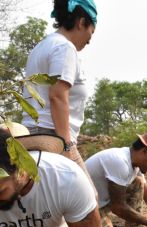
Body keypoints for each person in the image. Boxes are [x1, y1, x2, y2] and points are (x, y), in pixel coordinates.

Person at [22, 0, 96, 172]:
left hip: (32, 133)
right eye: (91, 33)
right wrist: (67, 146)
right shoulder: (65, 47)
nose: (89, 41)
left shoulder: (41, 46)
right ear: (81, 22)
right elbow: (57, 96)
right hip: (52, 136)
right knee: (90, 196)